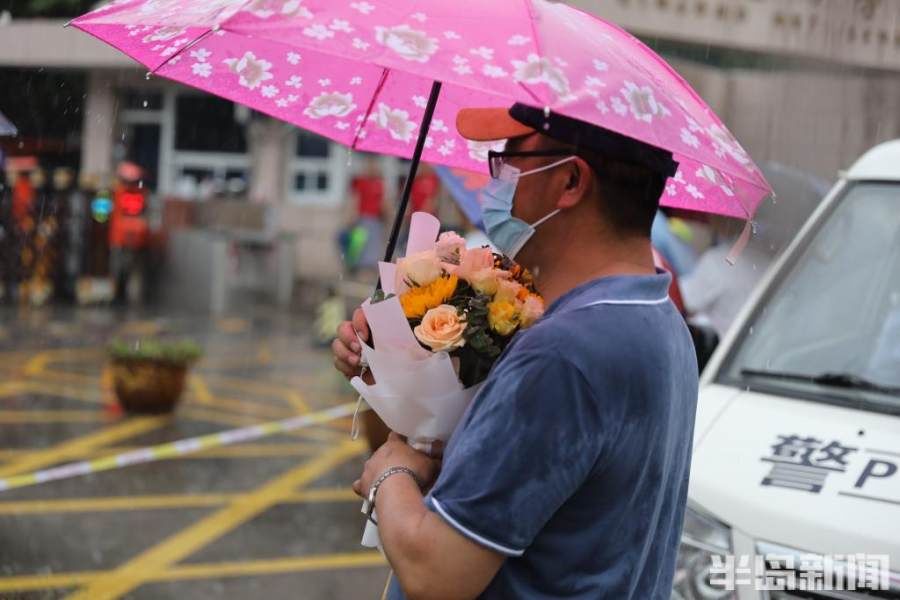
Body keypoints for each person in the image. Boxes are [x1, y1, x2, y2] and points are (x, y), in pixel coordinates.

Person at [333, 103, 698, 600]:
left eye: (507, 161)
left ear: (570, 181)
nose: (493, 182)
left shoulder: (564, 353)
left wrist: (388, 472)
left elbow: (435, 574)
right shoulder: (659, 317)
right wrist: (391, 367)